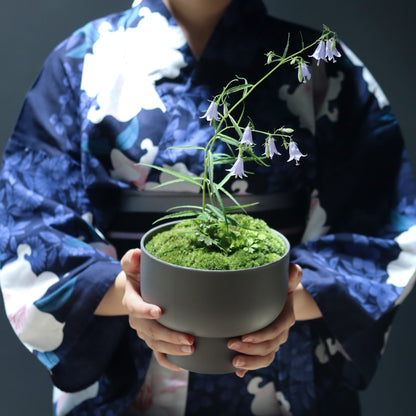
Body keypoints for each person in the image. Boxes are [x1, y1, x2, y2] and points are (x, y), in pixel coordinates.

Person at [0, 0, 415, 415]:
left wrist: (282, 302)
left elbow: (386, 228)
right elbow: (29, 226)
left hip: (285, 365)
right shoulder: (83, 60)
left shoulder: (322, 65)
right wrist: (136, 300)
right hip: (125, 357)